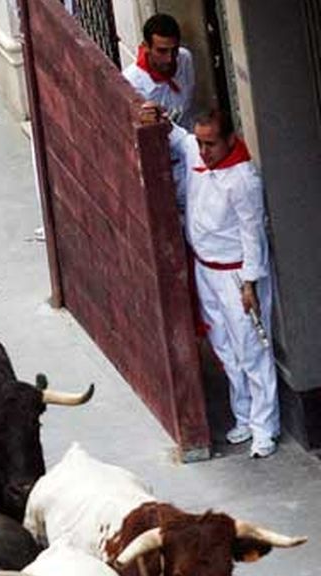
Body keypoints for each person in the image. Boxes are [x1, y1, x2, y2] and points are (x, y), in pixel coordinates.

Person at [142, 103, 279, 459]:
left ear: (230, 140)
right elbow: (178, 136)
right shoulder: (194, 150)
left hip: (235, 275)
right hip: (206, 269)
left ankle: (266, 427)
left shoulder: (243, 179)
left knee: (252, 352)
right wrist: (156, 114)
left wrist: (249, 283)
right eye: (201, 143)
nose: (203, 151)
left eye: (211, 145)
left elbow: (253, 235)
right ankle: (245, 417)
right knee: (224, 349)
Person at [124, 14, 196, 218]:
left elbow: (187, 106)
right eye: (162, 51)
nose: (170, 59)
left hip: (189, 160)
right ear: (146, 47)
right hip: (162, 171)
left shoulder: (185, 60)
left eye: (173, 50)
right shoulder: (131, 84)